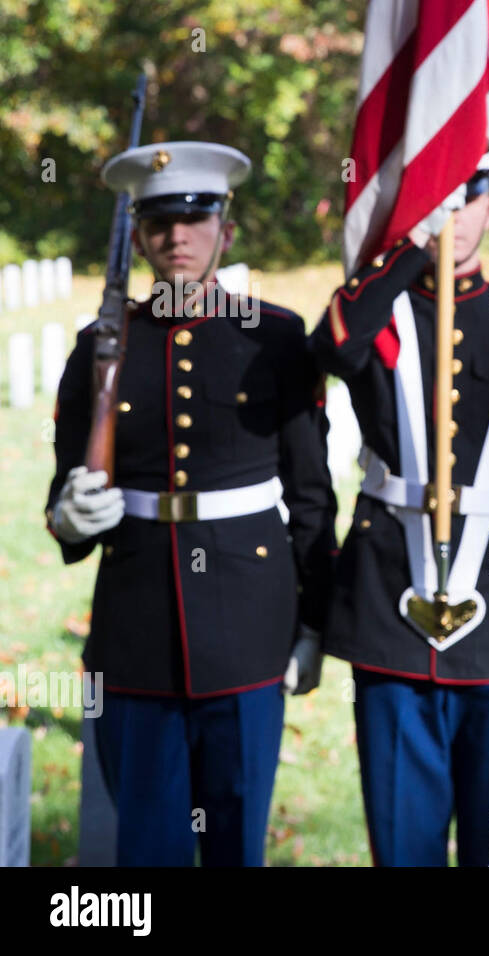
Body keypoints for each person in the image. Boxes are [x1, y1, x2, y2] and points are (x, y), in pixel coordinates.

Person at [46, 141, 336, 866]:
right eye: (159, 221)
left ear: (225, 231)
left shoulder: (272, 337)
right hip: (135, 634)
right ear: (139, 235)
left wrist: (314, 623)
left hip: (249, 629)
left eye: (195, 218)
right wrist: (67, 515)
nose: (178, 236)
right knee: (147, 849)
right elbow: (65, 493)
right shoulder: (99, 348)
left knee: (236, 842)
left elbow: (309, 495)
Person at [310, 144, 489, 866]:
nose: (455, 218)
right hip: (389, 612)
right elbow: (332, 350)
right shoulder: (381, 316)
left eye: (468, 200)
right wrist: (408, 248)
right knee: (403, 843)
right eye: (439, 200)